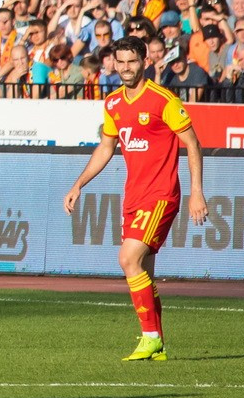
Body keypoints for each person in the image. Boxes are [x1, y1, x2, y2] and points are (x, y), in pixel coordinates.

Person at [63, 41, 210, 362]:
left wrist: (196, 190)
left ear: (144, 61)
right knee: (142, 269)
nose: (127, 67)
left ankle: (150, 337)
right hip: (133, 196)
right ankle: (158, 344)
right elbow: (106, 148)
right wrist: (78, 184)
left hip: (161, 195)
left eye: (133, 61)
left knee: (128, 259)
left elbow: (193, 143)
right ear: (112, 64)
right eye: (121, 62)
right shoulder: (113, 102)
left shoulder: (162, 100)